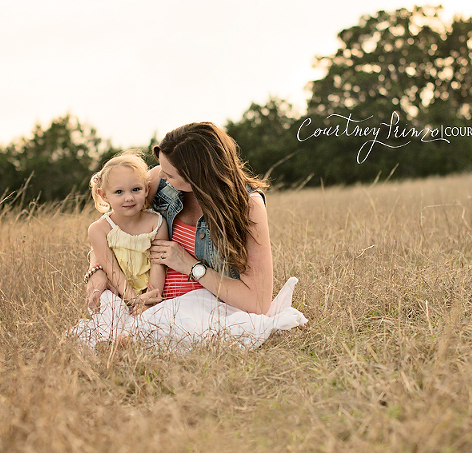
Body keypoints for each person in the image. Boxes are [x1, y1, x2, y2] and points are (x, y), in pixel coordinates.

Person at [75, 122, 306, 350]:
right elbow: (117, 228)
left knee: (211, 330)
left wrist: (190, 265)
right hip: (150, 305)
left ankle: (138, 339)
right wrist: (97, 270)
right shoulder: (161, 182)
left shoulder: (247, 207)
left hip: (205, 308)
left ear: (197, 175)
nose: (160, 176)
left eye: (170, 173)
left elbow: (257, 302)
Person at [72, 152, 168, 346]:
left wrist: (149, 298)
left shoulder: (156, 222)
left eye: (136, 189)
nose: (129, 198)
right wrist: (133, 300)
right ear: (103, 195)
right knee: (109, 309)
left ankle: (130, 339)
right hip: (116, 290)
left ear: (147, 189)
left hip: (148, 293)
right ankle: (107, 342)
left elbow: (158, 264)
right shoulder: (99, 229)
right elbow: (111, 269)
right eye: (119, 192)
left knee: (156, 319)